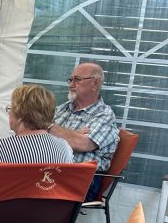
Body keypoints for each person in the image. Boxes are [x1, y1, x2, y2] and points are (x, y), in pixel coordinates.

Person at [0, 84, 74, 216]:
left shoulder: (0, 148)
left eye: (10, 108)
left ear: (21, 115)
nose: (9, 113)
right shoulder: (65, 148)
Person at [48, 62, 119, 201]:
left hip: (82, 179)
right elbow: (39, 134)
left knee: (26, 192)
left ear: (95, 83)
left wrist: (49, 127)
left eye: (77, 79)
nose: (71, 84)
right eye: (70, 79)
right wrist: (73, 135)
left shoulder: (104, 114)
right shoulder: (63, 108)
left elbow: (81, 144)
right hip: (53, 170)